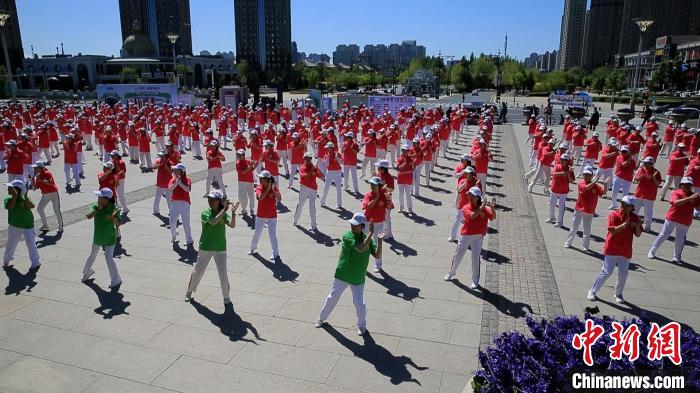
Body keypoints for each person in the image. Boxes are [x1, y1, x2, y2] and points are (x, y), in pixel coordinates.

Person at [315, 212, 383, 336]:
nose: (352, 226)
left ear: (362, 226)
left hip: (357, 277)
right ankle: (321, 318)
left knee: (359, 304)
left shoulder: (368, 239)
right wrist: (371, 234)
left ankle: (362, 326)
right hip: (343, 274)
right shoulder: (347, 236)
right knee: (332, 298)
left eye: (355, 225)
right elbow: (360, 248)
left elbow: (377, 255)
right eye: (352, 224)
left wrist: (380, 241)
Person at [185, 190, 239, 304]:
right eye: (209, 199)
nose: (210, 202)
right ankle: (189, 291)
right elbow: (213, 222)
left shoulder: (223, 213)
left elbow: (232, 225)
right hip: (205, 247)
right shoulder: (205, 212)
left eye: (213, 200)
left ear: (219, 201)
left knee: (223, 273)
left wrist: (233, 213)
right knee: (198, 271)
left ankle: (226, 297)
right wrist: (224, 211)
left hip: (220, 248)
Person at [587, 195, 643, 304]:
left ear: (632, 207)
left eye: (626, 205)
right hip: (612, 248)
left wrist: (637, 226)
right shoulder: (614, 214)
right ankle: (592, 291)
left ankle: (618, 293)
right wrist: (624, 225)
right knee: (607, 272)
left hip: (625, 250)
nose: (623, 206)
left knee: (623, 274)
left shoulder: (634, 218)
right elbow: (612, 231)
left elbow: (638, 234)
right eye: (622, 203)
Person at [444, 187, 496, 288]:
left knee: (475, 258)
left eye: (472, 196)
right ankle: (451, 273)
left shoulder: (484, 208)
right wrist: (483, 206)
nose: (469, 197)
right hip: (466, 236)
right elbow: (473, 216)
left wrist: (492, 207)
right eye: (469, 195)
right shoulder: (466, 207)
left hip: (478, 237)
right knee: (458, 256)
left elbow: (493, 217)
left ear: (477, 198)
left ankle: (475, 281)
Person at [648, 177, 699, 263]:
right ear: (681, 185)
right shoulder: (676, 192)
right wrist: (689, 199)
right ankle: (652, 251)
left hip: (685, 221)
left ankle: (676, 257)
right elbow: (675, 203)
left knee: (680, 239)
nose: (687, 186)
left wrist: (695, 202)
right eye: (685, 184)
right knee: (663, 235)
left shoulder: (694, 195)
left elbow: (698, 208)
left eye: (689, 185)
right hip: (672, 218)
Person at [81, 188, 122, 289]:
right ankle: (87, 271)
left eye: (100, 197)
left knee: (108, 257)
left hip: (110, 237)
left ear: (106, 199)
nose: (98, 198)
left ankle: (116, 279)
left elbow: (119, 223)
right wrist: (97, 210)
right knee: (93, 254)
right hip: (98, 236)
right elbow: (88, 216)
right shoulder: (95, 206)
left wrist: (113, 218)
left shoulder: (113, 208)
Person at [3, 180, 41, 270]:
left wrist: (25, 196)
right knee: (10, 244)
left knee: (31, 244)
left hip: (28, 226)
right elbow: (10, 206)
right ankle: (6, 260)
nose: (8, 189)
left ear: (18, 190)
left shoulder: (24, 198)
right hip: (14, 226)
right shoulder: (8, 198)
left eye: (11, 188)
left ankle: (35, 263)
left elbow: (31, 206)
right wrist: (15, 197)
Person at [565, 166, 603, 250]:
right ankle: (568, 242)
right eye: (585, 174)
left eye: (588, 175)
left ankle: (585, 246)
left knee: (587, 229)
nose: (586, 176)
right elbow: (587, 188)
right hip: (579, 209)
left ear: (592, 176)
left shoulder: (596, 186)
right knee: (574, 227)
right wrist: (595, 181)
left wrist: (607, 183)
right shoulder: (581, 183)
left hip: (589, 211)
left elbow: (602, 193)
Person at [249, 170, 281, 260]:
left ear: (268, 180)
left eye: (262, 178)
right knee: (257, 233)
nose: (260, 180)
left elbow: (279, 199)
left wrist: (273, 190)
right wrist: (268, 189)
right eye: (259, 178)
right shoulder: (259, 188)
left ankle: (276, 253)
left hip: (272, 215)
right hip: (260, 215)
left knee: (272, 234)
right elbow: (260, 197)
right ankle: (252, 249)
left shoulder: (274, 188)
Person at [361, 177, 389, 272]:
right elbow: (367, 207)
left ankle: (378, 264)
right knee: (365, 242)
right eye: (371, 184)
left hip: (378, 223)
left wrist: (389, 199)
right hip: (367, 222)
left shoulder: (384, 196)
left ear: (379, 186)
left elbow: (389, 206)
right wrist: (376, 197)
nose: (372, 186)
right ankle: (362, 263)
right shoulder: (368, 195)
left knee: (377, 244)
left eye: (374, 185)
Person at [449, 166, 482, 242]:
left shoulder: (477, 182)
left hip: (471, 207)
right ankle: (452, 236)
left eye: (467, 173)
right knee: (457, 221)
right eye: (466, 173)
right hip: (462, 205)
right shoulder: (463, 180)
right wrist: (465, 182)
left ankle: (468, 239)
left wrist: (477, 186)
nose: (466, 174)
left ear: (472, 174)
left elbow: (480, 194)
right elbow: (459, 190)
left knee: (470, 223)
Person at [293, 153, 324, 231]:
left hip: (313, 190)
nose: (307, 160)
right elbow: (306, 177)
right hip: (304, 188)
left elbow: (322, 176)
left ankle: (313, 226)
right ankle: (295, 220)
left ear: (311, 159)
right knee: (300, 204)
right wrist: (312, 170)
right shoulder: (302, 167)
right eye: (305, 158)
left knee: (312, 207)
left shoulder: (314, 168)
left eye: (309, 158)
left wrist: (318, 169)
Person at [31, 161, 63, 232]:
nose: (34, 169)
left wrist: (41, 180)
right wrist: (32, 181)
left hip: (53, 193)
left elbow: (51, 183)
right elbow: (36, 188)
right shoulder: (38, 176)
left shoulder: (47, 173)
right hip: (45, 195)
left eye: (36, 167)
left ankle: (60, 226)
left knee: (56, 210)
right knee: (39, 209)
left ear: (40, 167)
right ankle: (45, 225)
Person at [632, 156, 662, 231]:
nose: (644, 164)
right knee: (635, 210)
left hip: (649, 196)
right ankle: (632, 224)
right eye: (644, 163)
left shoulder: (656, 172)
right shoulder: (642, 170)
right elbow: (637, 180)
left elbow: (658, 184)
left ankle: (648, 227)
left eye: (646, 163)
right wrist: (642, 175)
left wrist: (654, 177)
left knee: (648, 212)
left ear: (651, 164)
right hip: (639, 193)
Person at [168, 163, 194, 245]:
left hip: (184, 203)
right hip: (174, 203)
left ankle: (189, 240)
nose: (174, 171)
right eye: (174, 170)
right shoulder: (172, 179)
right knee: (172, 221)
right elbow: (169, 189)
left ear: (181, 172)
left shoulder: (187, 179)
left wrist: (180, 183)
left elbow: (188, 190)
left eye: (176, 170)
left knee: (186, 223)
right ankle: (174, 234)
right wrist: (176, 183)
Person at [547, 154, 575, 227]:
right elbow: (553, 174)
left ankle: (560, 222)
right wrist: (563, 173)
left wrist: (568, 174)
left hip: (564, 191)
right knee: (552, 204)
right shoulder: (557, 166)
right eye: (562, 159)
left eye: (564, 160)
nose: (562, 161)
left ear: (567, 161)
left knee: (561, 206)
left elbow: (571, 181)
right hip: (554, 189)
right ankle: (551, 217)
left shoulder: (570, 169)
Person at [608, 145, 636, 209]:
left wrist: (638, 163)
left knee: (625, 194)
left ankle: (623, 207)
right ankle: (613, 204)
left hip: (628, 179)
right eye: (623, 151)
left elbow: (634, 168)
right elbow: (623, 165)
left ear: (628, 152)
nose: (624, 153)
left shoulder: (632, 160)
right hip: (618, 177)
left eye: (625, 151)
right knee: (614, 192)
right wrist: (629, 160)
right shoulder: (619, 157)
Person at [320, 142, 343, 208]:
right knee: (326, 187)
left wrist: (337, 158)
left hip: (337, 173)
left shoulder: (338, 154)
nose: (326, 149)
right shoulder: (326, 155)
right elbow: (325, 165)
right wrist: (327, 158)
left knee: (338, 188)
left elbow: (342, 162)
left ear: (331, 148)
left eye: (327, 148)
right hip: (329, 172)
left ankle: (339, 204)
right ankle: (322, 201)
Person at [376, 159, 395, 239]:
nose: (377, 169)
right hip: (379, 198)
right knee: (381, 217)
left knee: (386, 218)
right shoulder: (378, 175)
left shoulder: (389, 177)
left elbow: (392, 189)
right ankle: (384, 232)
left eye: (379, 168)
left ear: (383, 169)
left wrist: (386, 187)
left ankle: (388, 234)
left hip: (386, 199)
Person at [236, 149, 257, 216]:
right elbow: (243, 172)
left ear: (244, 155)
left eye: (240, 155)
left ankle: (251, 209)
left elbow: (251, 170)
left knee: (251, 196)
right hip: (242, 181)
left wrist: (255, 166)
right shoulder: (238, 163)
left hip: (250, 181)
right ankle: (244, 209)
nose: (239, 156)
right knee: (243, 197)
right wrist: (250, 166)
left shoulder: (248, 161)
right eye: (238, 155)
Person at [395, 144, 414, 213]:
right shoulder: (399, 158)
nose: (404, 152)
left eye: (406, 150)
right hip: (401, 179)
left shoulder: (411, 159)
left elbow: (413, 168)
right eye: (403, 150)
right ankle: (401, 207)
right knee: (400, 194)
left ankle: (410, 208)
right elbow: (399, 169)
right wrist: (405, 163)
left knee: (408, 194)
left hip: (408, 179)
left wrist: (411, 163)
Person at [152, 150, 172, 215]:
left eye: (162, 156)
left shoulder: (170, 162)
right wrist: (158, 165)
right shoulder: (158, 161)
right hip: (159, 183)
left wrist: (166, 167)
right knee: (157, 197)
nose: (161, 157)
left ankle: (171, 210)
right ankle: (155, 210)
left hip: (168, 184)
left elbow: (172, 172)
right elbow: (153, 167)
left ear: (166, 156)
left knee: (169, 198)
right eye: (160, 156)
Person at [110, 150, 129, 214]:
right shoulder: (111, 162)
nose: (111, 156)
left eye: (113, 155)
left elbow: (123, 171)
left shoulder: (121, 162)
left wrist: (117, 168)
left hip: (120, 179)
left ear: (117, 156)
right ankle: (118, 206)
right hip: (114, 179)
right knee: (115, 193)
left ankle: (125, 208)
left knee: (120, 194)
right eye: (111, 155)